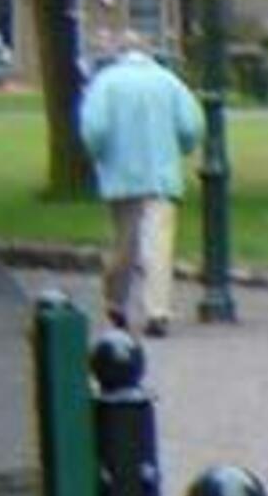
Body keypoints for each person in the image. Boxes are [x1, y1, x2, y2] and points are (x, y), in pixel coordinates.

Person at [77, 32, 206, 338]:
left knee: (124, 244)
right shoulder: (168, 82)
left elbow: (94, 129)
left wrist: (100, 157)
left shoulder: (105, 83)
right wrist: (181, 148)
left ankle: (116, 302)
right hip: (161, 175)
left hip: (120, 176)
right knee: (158, 244)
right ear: (149, 52)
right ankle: (157, 310)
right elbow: (191, 126)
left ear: (121, 53)